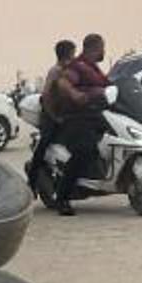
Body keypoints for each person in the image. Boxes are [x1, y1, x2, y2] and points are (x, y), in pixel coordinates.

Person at [51, 34, 113, 216]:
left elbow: (108, 86)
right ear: (95, 48)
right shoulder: (78, 66)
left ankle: (97, 180)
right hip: (77, 118)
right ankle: (62, 198)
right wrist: (74, 94)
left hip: (95, 116)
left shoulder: (94, 68)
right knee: (84, 151)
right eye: (103, 48)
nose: (104, 52)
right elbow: (63, 82)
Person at [27, 39, 78, 193]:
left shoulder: (69, 72)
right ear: (67, 54)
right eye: (73, 53)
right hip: (51, 117)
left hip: (65, 115)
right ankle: (32, 181)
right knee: (44, 144)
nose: (75, 57)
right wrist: (55, 118)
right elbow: (46, 96)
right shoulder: (55, 71)